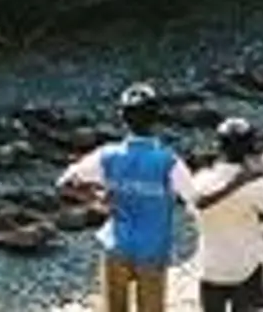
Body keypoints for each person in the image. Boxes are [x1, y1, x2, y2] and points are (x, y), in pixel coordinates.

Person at [57, 83, 201, 312]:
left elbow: (64, 184)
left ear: (123, 118)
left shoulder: (107, 155)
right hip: (152, 251)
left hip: (116, 246)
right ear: (156, 118)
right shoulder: (169, 161)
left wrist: (95, 197)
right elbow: (196, 201)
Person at [191, 118, 263, 312]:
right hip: (245, 267)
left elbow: (195, 206)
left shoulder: (201, 181)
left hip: (211, 267)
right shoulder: (256, 185)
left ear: (219, 147)